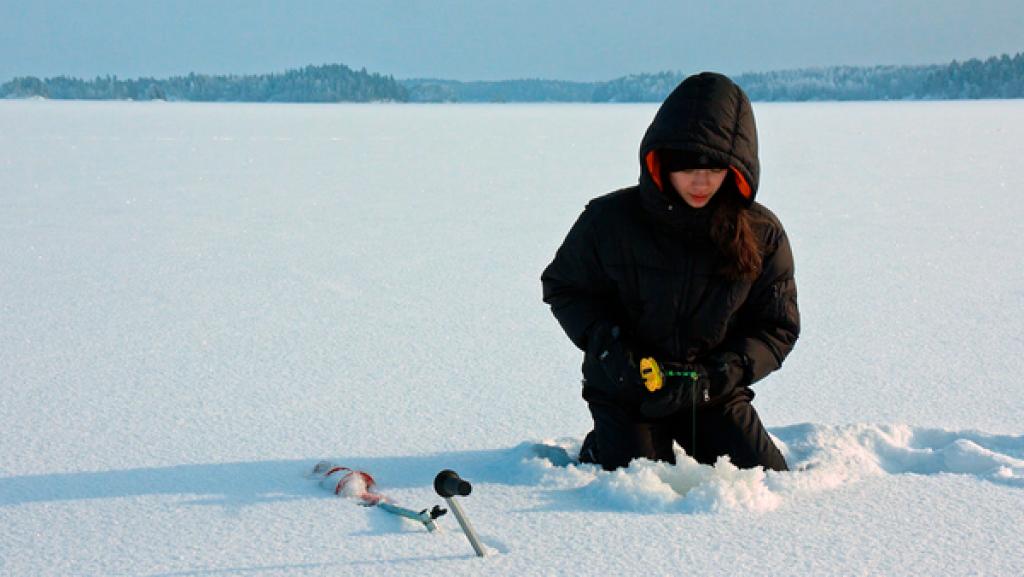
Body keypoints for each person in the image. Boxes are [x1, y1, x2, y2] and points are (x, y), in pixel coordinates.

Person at [541, 72, 799, 472]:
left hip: (711, 392)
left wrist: (720, 374)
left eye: (715, 167)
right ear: (660, 161)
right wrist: (611, 349)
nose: (701, 180)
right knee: (642, 476)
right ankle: (606, 442)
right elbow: (564, 286)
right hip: (629, 388)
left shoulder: (761, 233)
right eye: (686, 166)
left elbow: (776, 326)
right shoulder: (609, 220)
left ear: (737, 168)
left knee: (765, 477)